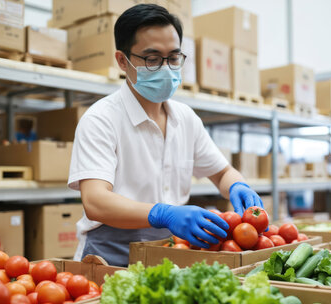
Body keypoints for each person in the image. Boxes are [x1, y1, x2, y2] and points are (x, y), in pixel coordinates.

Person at [67, 4, 264, 266]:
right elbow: (96, 201)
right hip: (110, 255)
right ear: (122, 61)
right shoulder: (101, 119)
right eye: (152, 58)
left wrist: (238, 185)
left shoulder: (186, 119)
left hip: (171, 250)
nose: (165, 68)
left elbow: (221, 172)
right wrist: (163, 213)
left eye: (173, 58)